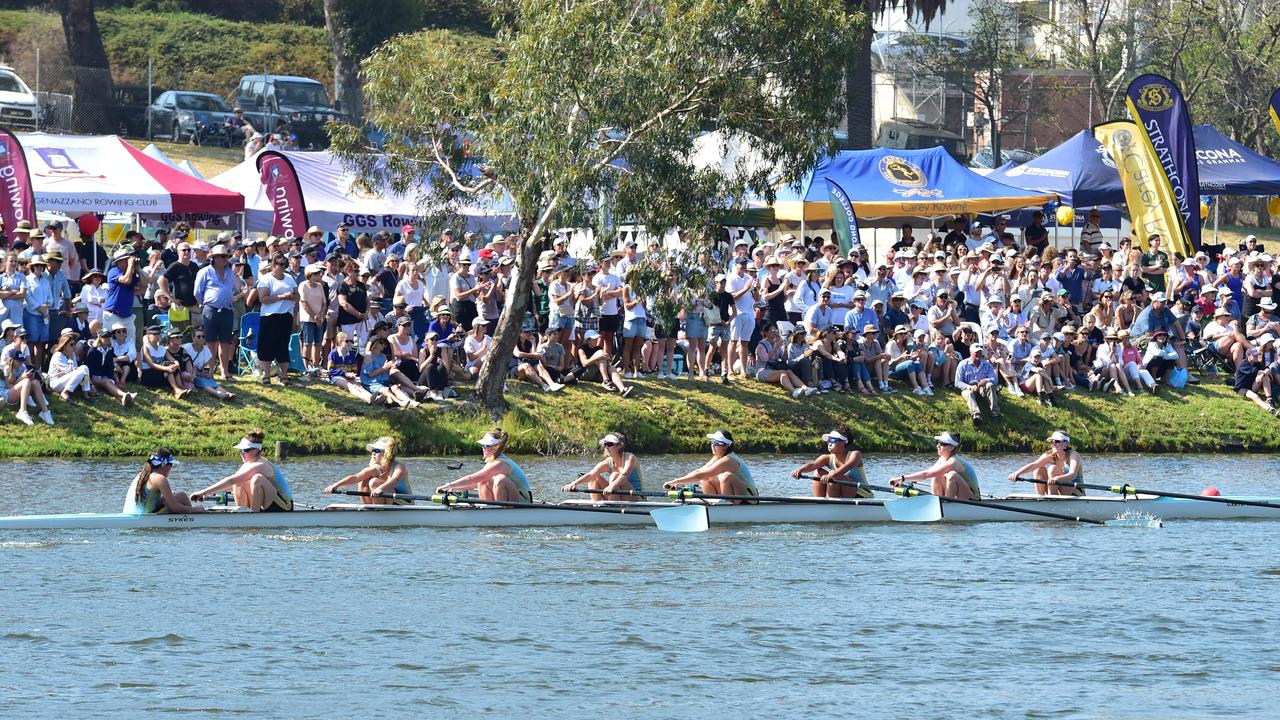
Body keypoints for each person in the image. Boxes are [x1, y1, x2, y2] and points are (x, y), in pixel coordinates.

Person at [191, 430, 294, 511]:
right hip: (269, 503)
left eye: (245, 450)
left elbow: (231, 480)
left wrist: (203, 492)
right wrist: (206, 494)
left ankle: (253, 515)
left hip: (285, 506)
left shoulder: (260, 464)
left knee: (257, 479)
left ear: (256, 450)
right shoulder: (247, 464)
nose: (241, 453)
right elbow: (231, 484)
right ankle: (242, 513)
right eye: (240, 450)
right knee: (239, 482)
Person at [436, 429, 533, 502]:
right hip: (512, 497)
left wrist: (448, 485)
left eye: (486, 446)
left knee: (500, 479)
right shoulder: (492, 462)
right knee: (483, 480)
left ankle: (500, 512)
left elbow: (472, 478)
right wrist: (454, 489)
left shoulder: (501, 463)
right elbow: (476, 483)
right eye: (483, 445)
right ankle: (489, 509)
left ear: (495, 447)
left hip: (524, 502)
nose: (483, 448)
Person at [662, 429, 757, 502]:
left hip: (749, 498)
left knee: (727, 477)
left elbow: (698, 476)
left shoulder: (729, 460)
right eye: (712, 442)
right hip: (736, 494)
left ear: (726, 446)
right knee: (706, 478)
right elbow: (699, 472)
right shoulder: (718, 457)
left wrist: (675, 481)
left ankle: (726, 506)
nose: (712, 446)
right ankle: (712, 503)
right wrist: (678, 482)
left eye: (716, 443)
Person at [891, 431, 981, 500]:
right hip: (959, 496)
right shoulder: (942, 459)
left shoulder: (954, 462)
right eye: (938, 442)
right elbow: (926, 473)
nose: (938, 445)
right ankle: (938, 502)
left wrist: (902, 478)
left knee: (952, 475)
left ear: (952, 447)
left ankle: (948, 505)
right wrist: (903, 482)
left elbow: (925, 475)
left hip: (972, 499)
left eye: (942, 444)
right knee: (936, 474)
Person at [323, 437, 413, 505]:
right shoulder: (375, 469)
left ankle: (380, 514)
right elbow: (355, 478)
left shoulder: (399, 467)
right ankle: (369, 510)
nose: (373, 453)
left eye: (377, 450)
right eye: (373, 450)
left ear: (386, 453)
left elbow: (395, 480)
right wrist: (336, 485)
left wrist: (380, 488)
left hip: (404, 502)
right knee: (363, 481)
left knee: (374, 482)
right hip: (387, 501)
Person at [790, 427, 873, 499]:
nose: (829, 444)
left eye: (833, 440)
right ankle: (820, 503)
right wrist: (799, 470)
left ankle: (831, 506)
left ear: (843, 443)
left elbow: (848, 466)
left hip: (862, 494)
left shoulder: (855, 454)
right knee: (818, 472)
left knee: (834, 474)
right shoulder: (827, 458)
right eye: (828, 441)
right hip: (843, 492)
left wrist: (831, 475)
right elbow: (812, 465)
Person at [562, 432, 643, 501]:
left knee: (615, 475)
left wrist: (612, 486)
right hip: (617, 497)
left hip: (636, 498)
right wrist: (573, 483)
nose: (606, 447)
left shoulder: (630, 457)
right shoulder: (607, 462)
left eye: (610, 444)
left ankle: (613, 508)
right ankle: (597, 507)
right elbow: (590, 475)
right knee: (595, 477)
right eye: (605, 444)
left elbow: (625, 475)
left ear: (620, 446)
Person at [125, 448, 203, 514]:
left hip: (131, 516)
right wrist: (197, 509)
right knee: (182, 497)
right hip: (146, 518)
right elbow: (176, 508)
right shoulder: (160, 478)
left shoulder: (142, 475)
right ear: (164, 465)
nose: (171, 468)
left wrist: (164, 498)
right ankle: (192, 522)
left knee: (175, 496)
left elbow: (146, 501)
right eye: (171, 465)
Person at [1, 327, 53, 426]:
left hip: (17, 387)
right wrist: (23, 377)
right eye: (22, 337)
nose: (25, 340)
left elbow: (28, 364)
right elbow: (10, 387)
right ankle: (22, 411)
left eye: (26, 338)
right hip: (6, 394)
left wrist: (30, 374)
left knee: (35, 381)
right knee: (26, 381)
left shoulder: (21, 364)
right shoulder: (7, 366)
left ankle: (45, 412)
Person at [1007, 430, 1086, 496]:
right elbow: (1033, 465)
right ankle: (1041, 499)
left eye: (1056, 441)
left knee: (1052, 469)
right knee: (1038, 469)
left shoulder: (1074, 455)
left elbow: (1072, 475)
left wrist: (1056, 479)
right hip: (1057, 491)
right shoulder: (1050, 455)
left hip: (1075, 492)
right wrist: (1017, 473)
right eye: (1051, 442)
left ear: (1065, 444)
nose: (1053, 444)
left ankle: (1053, 501)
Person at [955, 344, 1000, 425]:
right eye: (976, 352)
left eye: (980, 352)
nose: (978, 354)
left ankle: (995, 414)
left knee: (990, 385)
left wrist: (986, 380)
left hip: (982, 389)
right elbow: (957, 382)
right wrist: (970, 387)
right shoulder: (963, 364)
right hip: (968, 389)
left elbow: (995, 379)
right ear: (971, 353)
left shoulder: (987, 364)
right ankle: (976, 415)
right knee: (969, 394)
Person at [46, 329, 93, 400]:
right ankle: (65, 392)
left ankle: (86, 393)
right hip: (56, 383)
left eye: (74, 344)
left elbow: (75, 369)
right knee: (81, 370)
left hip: (67, 379)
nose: (74, 346)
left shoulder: (72, 354)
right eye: (71, 344)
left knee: (84, 367)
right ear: (64, 345)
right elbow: (67, 371)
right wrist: (70, 359)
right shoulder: (58, 355)